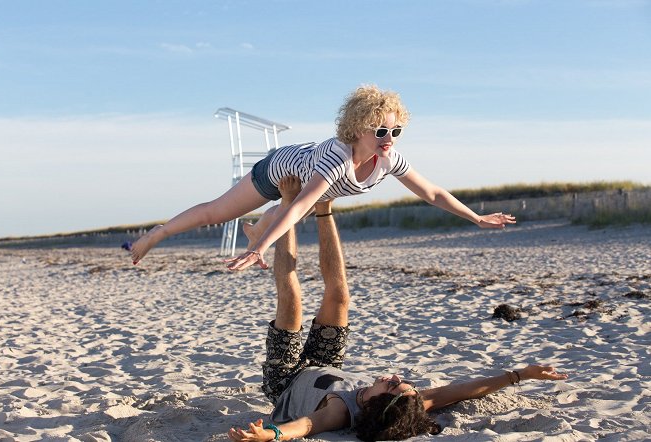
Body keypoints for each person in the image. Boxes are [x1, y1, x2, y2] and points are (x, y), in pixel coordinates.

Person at [227, 176, 567, 442]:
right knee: (341, 297)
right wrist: (519, 375)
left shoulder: (339, 413)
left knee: (292, 300)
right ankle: (324, 206)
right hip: (325, 365)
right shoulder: (409, 400)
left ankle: (286, 206)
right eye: (404, 384)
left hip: (285, 380)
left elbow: (303, 426)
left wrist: (268, 434)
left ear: (372, 404)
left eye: (392, 386)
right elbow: (459, 390)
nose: (397, 378)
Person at [129, 85, 516, 269]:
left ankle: (258, 229)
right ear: (358, 128)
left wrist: (477, 218)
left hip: (298, 184)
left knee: (272, 219)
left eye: (395, 131)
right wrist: (260, 249)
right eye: (381, 131)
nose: (389, 138)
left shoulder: (389, 158)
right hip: (278, 170)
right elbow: (299, 206)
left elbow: (432, 193)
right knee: (217, 213)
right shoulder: (337, 160)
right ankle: (155, 235)